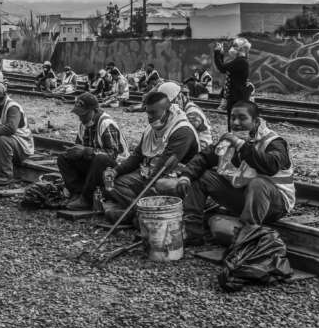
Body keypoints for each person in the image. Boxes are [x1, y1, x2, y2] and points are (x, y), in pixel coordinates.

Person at [178, 100, 295, 245]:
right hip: (245, 197)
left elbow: (270, 166)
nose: (236, 122)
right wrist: (185, 176)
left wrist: (242, 146)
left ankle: (246, 236)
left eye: (242, 118)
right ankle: (191, 232)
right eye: (233, 117)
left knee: (258, 183)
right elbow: (204, 157)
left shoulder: (274, 142)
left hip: (275, 204)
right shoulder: (230, 140)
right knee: (201, 176)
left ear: (256, 121)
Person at [104, 89, 199, 210]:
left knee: (158, 186)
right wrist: (115, 172)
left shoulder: (182, 131)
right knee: (115, 183)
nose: (150, 118)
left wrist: (146, 187)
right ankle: (140, 209)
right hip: (148, 173)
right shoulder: (151, 129)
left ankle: (135, 210)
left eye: (153, 113)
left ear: (167, 111)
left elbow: (163, 167)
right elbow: (137, 156)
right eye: (148, 113)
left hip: (173, 179)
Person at [57, 92, 128, 210]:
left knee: (100, 158)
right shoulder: (83, 124)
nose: (81, 118)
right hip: (95, 166)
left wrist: (86, 151)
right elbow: (79, 147)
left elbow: (112, 155)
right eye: (79, 115)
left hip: (115, 168)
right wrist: (74, 151)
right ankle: (78, 193)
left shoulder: (106, 124)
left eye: (84, 114)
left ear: (94, 110)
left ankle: (87, 199)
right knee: (63, 158)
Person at [213, 37, 251, 126]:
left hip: (237, 97)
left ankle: (236, 137)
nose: (232, 48)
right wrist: (221, 54)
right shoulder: (240, 61)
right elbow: (223, 68)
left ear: (241, 49)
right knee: (234, 120)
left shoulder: (240, 62)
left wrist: (217, 53)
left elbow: (222, 68)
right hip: (236, 96)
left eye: (235, 46)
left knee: (235, 122)